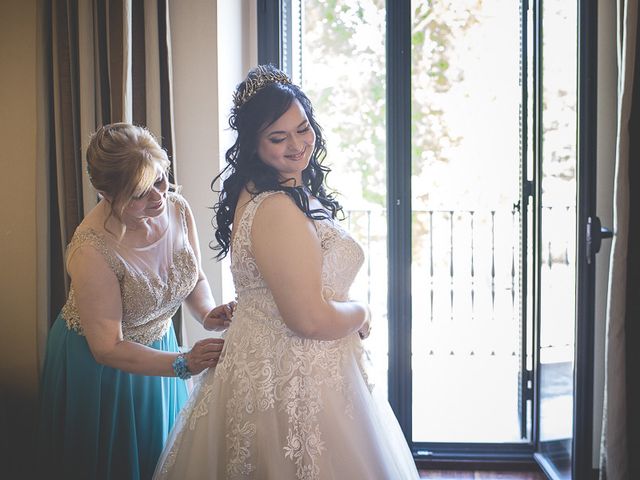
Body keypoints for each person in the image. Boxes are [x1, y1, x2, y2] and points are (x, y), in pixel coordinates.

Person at [154, 65, 420, 479]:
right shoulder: (276, 207)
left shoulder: (270, 190)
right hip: (295, 384)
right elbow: (308, 318)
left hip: (288, 368)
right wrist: (361, 312)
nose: (297, 144)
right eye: (278, 138)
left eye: (302, 128)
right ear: (253, 145)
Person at [37, 122, 236, 480]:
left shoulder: (176, 209)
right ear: (106, 193)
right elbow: (108, 348)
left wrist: (208, 313)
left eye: (160, 180)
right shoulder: (92, 250)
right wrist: (183, 363)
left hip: (161, 350)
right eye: (141, 193)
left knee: (160, 457)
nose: (158, 197)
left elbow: (193, 276)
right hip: (101, 369)